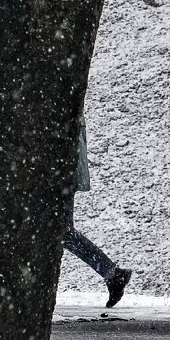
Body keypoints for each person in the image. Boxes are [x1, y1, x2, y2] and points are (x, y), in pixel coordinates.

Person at [63, 115, 132, 307]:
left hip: (59, 176)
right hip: (62, 175)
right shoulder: (67, 101)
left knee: (61, 233)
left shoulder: (59, 102)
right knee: (62, 233)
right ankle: (112, 274)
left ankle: (112, 273)